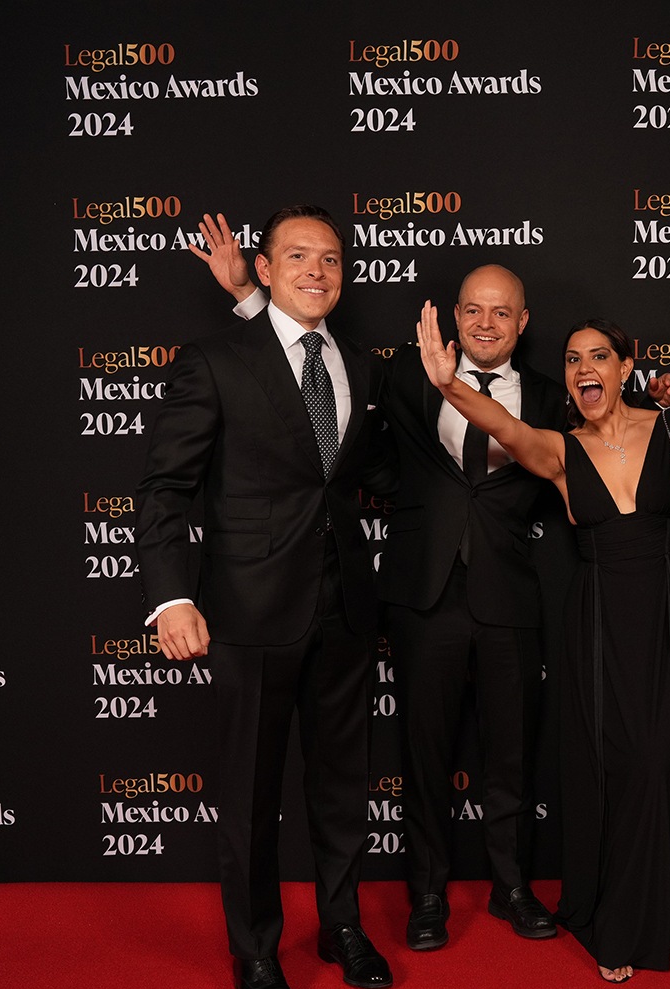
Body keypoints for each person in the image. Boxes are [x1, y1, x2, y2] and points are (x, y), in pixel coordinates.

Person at [190, 218, 568, 949]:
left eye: (501, 312)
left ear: (523, 322)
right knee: (421, 757)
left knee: (513, 755)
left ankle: (513, 886)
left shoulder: (552, 399)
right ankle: (426, 895)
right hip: (420, 596)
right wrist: (248, 297)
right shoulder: (400, 376)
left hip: (511, 596)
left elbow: (605, 439)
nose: (485, 323)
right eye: (472, 309)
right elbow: (304, 385)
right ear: (453, 316)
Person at [136, 205, 395, 989]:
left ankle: (343, 927)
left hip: (344, 608)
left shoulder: (359, 364)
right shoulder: (215, 361)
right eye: (299, 256)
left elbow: (355, 475)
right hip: (248, 612)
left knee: (342, 785)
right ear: (267, 268)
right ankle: (255, 954)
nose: (317, 270)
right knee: (250, 796)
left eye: (331, 258)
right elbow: (166, 489)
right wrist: (171, 595)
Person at [418, 306, 670, 983]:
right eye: (573, 360)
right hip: (598, 620)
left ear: (626, 366)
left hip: (666, 613)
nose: (585, 368)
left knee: (659, 760)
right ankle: (617, 921)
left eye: (599, 356)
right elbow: (505, 426)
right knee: (613, 764)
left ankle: (655, 912)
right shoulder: (559, 450)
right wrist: (447, 384)